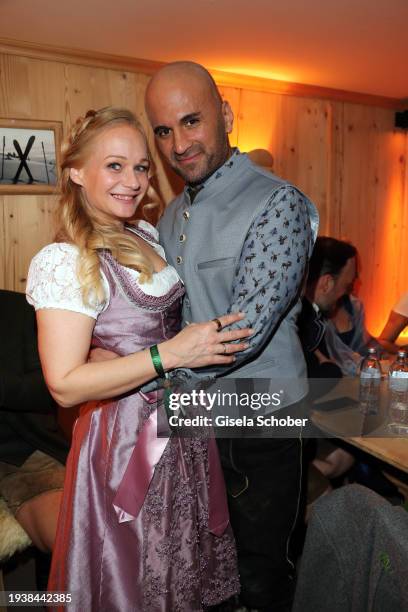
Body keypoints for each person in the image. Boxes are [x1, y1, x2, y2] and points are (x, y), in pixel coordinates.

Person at [26, 107, 253, 611]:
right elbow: (63, 384)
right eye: (114, 166)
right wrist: (166, 354)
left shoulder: (146, 235)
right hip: (125, 442)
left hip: (181, 429)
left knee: (176, 571)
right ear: (76, 172)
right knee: (126, 575)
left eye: (141, 167)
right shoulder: (66, 260)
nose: (132, 182)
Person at [145, 61, 319, 612]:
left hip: (259, 422)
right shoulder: (170, 216)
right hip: (192, 422)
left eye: (191, 121)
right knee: (200, 574)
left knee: (259, 575)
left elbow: (242, 330)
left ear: (225, 116)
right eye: (165, 131)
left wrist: (147, 377)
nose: (179, 144)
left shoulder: (277, 203)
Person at [0, 289, 68, 555]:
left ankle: (31, 600)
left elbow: (48, 390)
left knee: (73, 551)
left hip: (24, 454)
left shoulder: (20, 310)